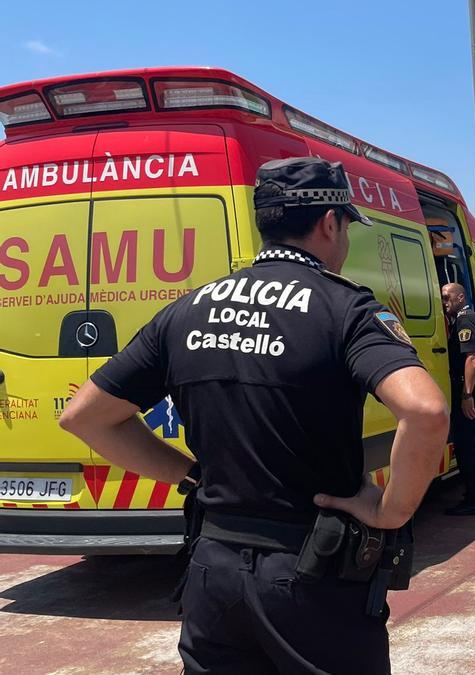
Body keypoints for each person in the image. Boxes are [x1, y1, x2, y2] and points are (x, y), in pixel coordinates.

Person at [58, 157, 449, 673]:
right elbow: (424, 409)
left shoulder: (188, 309)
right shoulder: (345, 309)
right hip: (311, 571)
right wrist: (392, 511)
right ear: (330, 223)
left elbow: (85, 417)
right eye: (348, 227)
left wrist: (187, 474)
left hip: (211, 568)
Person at [441, 282, 475, 516]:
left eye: (447, 297)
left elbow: (472, 358)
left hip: (470, 388)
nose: (444, 303)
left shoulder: (464, 321)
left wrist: (467, 395)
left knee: (467, 445)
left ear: (460, 297)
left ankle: (473, 500)